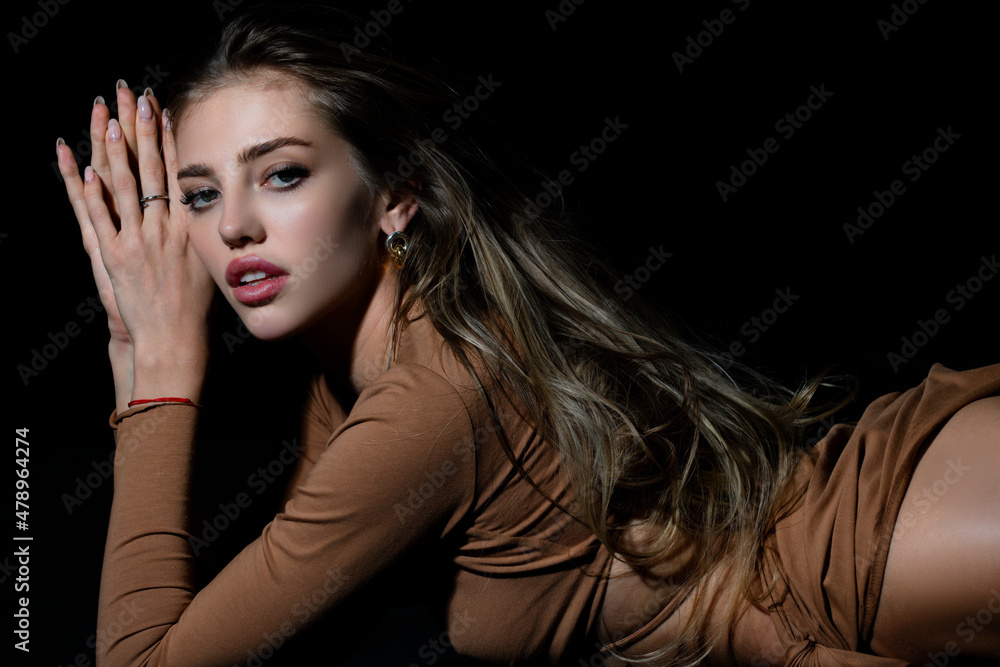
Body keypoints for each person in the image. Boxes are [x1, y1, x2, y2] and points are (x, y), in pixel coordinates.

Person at [54, 4, 1000, 666]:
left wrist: (161, 374)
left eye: (283, 174)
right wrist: (138, 356)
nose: (234, 227)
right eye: (199, 195)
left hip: (879, 545)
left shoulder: (430, 400)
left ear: (392, 199)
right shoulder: (352, 381)